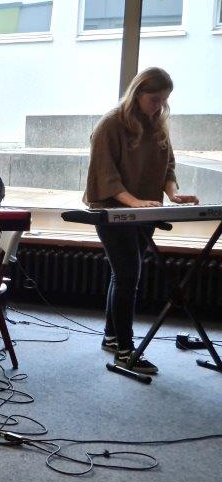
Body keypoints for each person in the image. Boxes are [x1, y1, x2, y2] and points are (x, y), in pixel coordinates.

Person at [84, 67, 198, 375]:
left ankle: (111, 337)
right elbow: (105, 174)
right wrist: (134, 202)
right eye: (154, 99)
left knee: (124, 275)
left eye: (164, 100)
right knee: (128, 275)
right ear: (137, 94)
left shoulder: (157, 124)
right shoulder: (111, 124)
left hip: (145, 210)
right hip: (113, 210)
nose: (159, 106)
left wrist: (173, 194)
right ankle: (125, 351)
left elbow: (167, 166)